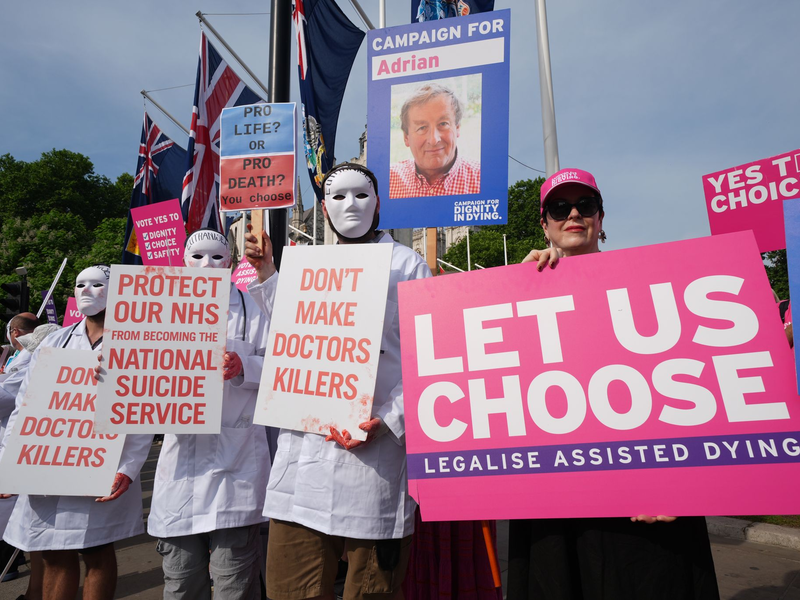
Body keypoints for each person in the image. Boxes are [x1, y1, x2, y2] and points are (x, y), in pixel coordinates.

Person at [506, 168, 720, 600]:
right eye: (559, 207)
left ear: (600, 220)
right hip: (558, 503)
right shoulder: (519, 292)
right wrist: (516, 290)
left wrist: (679, 483)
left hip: (642, 499)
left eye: (585, 206)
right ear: (544, 222)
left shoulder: (651, 288)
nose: (573, 214)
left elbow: (687, 389)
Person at [244, 163, 431, 600]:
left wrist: (389, 419)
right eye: (338, 196)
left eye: (361, 195)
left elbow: (429, 358)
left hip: (373, 464)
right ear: (324, 208)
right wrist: (268, 272)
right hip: (303, 466)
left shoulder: (407, 266)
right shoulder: (306, 265)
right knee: (290, 589)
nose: (350, 205)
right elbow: (293, 336)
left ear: (379, 203)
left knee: (370, 590)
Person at [0, 265, 152, 600]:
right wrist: (7, 464)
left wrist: (127, 467)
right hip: (49, 462)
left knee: (96, 551)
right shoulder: (54, 341)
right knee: (53, 552)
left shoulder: (136, 343)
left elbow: (143, 412)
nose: (86, 290)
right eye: (80, 284)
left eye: (96, 284)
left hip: (101, 463)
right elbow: (25, 405)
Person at [146, 229, 271, 600]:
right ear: (183, 262)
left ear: (231, 263)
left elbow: (283, 366)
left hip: (236, 468)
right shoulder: (158, 310)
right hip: (181, 471)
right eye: (198, 256)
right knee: (181, 584)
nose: (207, 264)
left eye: (217, 257)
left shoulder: (254, 308)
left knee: (234, 583)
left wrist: (244, 366)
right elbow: (137, 388)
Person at [389, 83, 480, 199]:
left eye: (443, 124)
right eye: (422, 128)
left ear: (457, 128)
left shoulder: (483, 179)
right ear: (406, 137)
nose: (433, 140)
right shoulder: (387, 180)